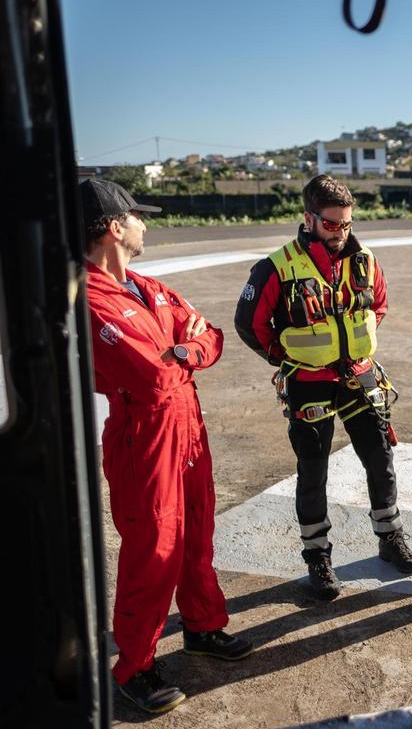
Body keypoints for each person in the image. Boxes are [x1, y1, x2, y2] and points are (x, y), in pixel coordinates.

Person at [82, 179, 253, 715]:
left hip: (187, 425)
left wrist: (182, 351)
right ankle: (133, 667)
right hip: (144, 436)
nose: (144, 224)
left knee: (197, 529)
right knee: (154, 548)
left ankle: (203, 626)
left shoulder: (148, 287)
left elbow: (212, 336)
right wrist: (184, 349)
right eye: (137, 215)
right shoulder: (89, 298)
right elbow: (150, 379)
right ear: (114, 228)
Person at [234, 174, 412, 601]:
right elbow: (249, 323)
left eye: (347, 223)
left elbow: (378, 306)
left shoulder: (365, 259)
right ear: (309, 219)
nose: (341, 232)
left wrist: (354, 345)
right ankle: (318, 557)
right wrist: (285, 357)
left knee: (380, 457)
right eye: (332, 224)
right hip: (308, 380)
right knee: (313, 469)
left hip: (359, 374)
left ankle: (390, 538)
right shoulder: (276, 267)